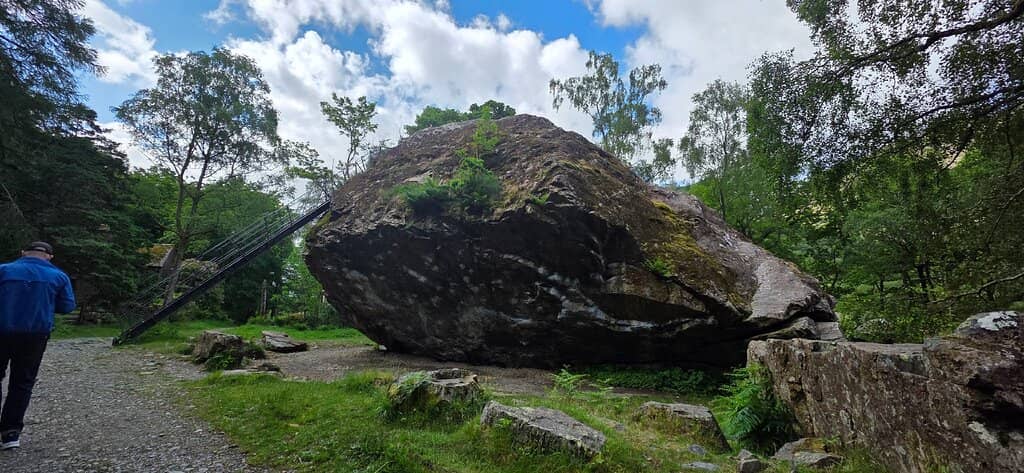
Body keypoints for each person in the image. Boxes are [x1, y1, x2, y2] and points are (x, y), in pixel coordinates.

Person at [0, 241, 76, 450]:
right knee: (22, 382)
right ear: (50, 256)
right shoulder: (59, 276)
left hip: (1, 330)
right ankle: (10, 432)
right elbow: (67, 306)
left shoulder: (4, 270)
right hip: (35, 335)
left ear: (23, 252)